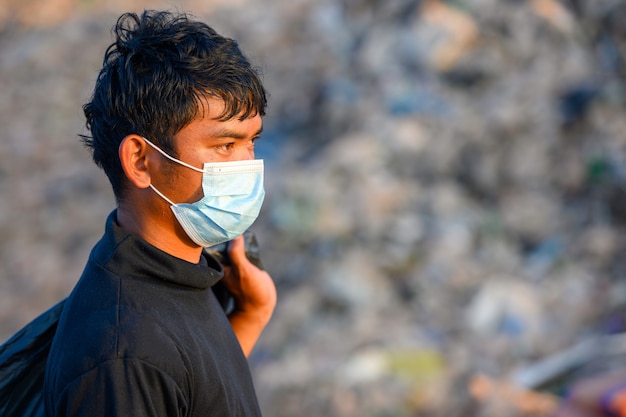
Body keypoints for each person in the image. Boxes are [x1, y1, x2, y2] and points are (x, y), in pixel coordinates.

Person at [43, 10, 276, 417]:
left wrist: (250, 316)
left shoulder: (179, 273)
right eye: (225, 145)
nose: (247, 165)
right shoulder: (122, 355)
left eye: (251, 142)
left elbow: (195, 395)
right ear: (141, 161)